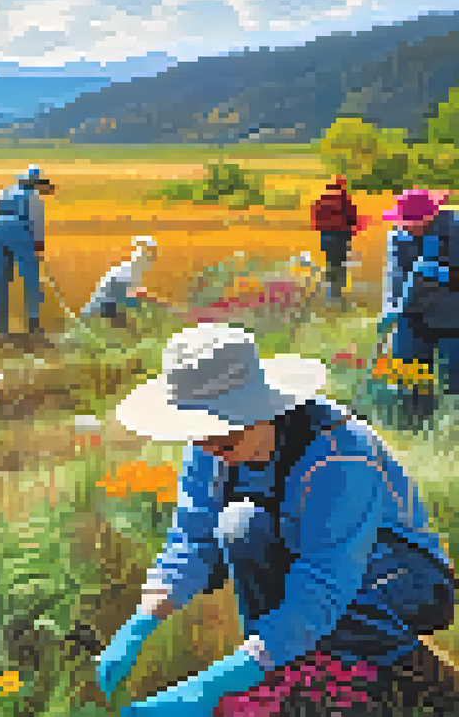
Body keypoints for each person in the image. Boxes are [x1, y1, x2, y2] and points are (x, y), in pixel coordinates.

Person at [99, 323, 456, 716]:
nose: (210, 450)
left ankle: (420, 679)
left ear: (262, 411)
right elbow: (193, 539)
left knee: (333, 617)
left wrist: (210, 687)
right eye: (200, 437)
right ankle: (284, 670)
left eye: (224, 438)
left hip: (402, 578)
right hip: (312, 565)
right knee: (240, 525)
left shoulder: (339, 456)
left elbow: (323, 584)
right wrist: (141, 623)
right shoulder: (211, 447)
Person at [381, 189, 459, 425]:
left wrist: (443, 274)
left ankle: (453, 429)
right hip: (412, 314)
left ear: (430, 218)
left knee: (454, 377)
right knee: (409, 373)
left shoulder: (456, 230)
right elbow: (395, 275)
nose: (405, 227)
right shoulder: (398, 236)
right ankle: (413, 424)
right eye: (402, 222)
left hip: (453, 316)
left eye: (410, 223)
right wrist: (391, 308)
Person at [0, 164, 51, 341]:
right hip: (19, 230)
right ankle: (33, 325)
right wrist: (38, 247)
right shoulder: (33, 197)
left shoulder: (5, 192)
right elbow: (36, 222)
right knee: (31, 278)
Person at [81, 236, 158, 328]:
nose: (151, 262)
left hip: (106, 310)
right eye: (149, 258)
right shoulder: (126, 274)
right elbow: (122, 302)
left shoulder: (133, 272)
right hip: (101, 312)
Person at [310, 175, 363, 308]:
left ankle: (331, 296)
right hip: (341, 236)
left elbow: (315, 218)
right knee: (340, 265)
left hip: (325, 236)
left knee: (330, 264)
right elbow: (352, 218)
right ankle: (337, 296)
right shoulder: (343, 198)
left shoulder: (321, 198)